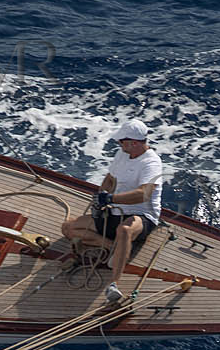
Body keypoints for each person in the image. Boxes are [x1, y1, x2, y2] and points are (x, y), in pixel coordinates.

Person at [60, 119, 163, 304]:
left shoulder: (151, 163)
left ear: (134, 142)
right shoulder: (122, 154)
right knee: (68, 228)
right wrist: (101, 197)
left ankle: (114, 284)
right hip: (114, 211)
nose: (118, 144)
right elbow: (109, 179)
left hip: (142, 215)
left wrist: (111, 199)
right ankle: (113, 247)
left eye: (121, 141)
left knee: (124, 230)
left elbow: (143, 194)